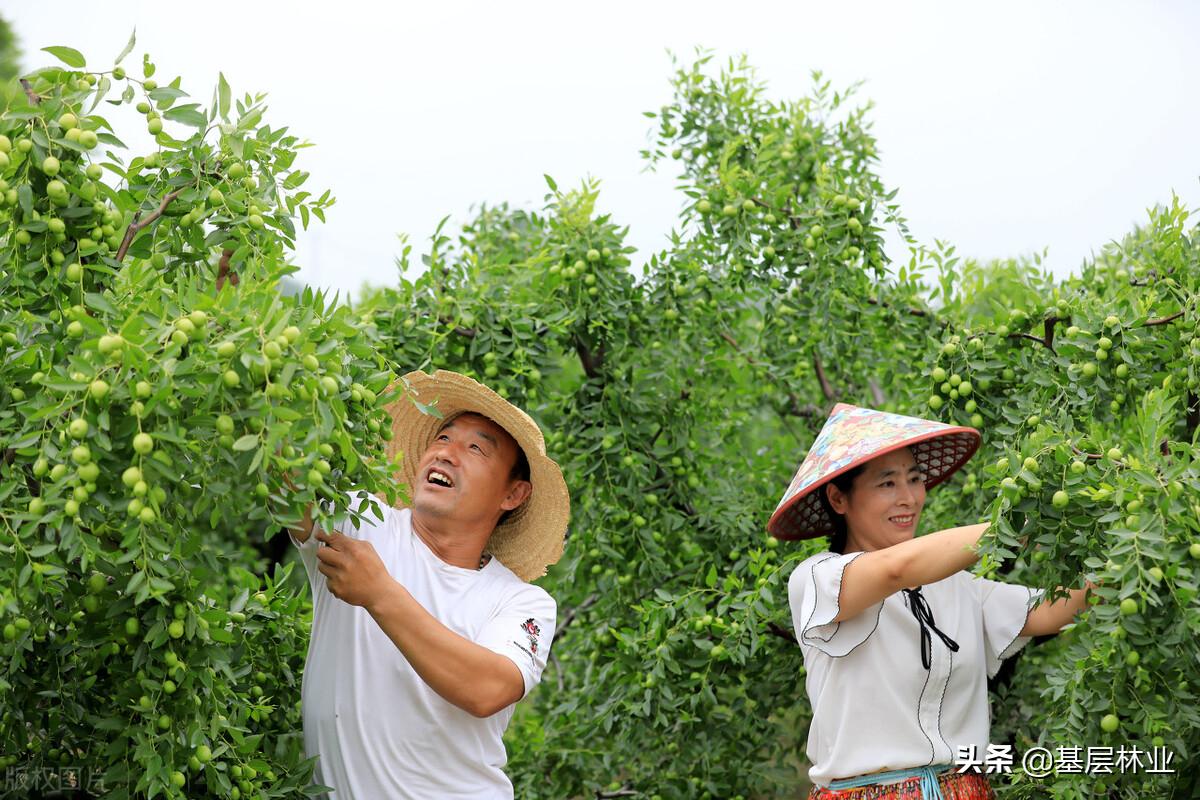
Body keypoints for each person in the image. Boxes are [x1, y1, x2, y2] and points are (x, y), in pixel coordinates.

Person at [768, 403, 1092, 800]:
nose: (908, 498)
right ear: (838, 498)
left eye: (915, 478)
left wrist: (1129, 556)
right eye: (887, 484)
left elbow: (1052, 611)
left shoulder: (956, 586)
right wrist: (1016, 523)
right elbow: (896, 569)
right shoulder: (818, 581)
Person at [286, 369, 570, 799]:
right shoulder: (361, 522)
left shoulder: (521, 602)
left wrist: (379, 593)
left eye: (475, 448)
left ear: (513, 494)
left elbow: (486, 689)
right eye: (442, 438)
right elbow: (283, 476)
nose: (446, 453)